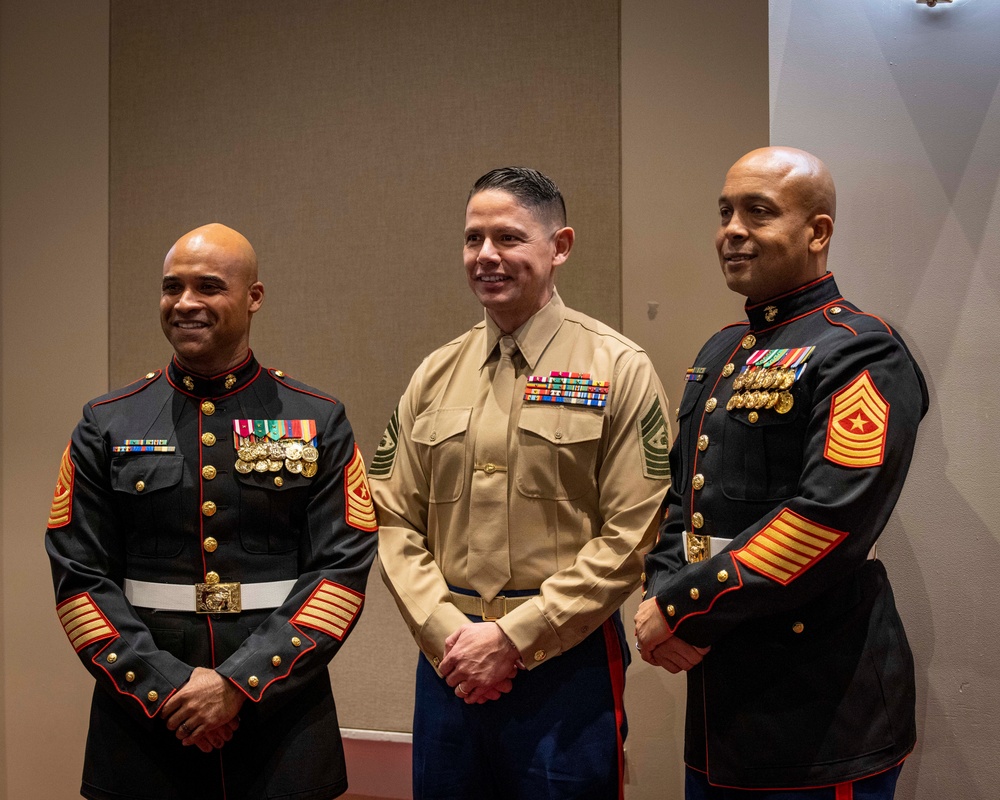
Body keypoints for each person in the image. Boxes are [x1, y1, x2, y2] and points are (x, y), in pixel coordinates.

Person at [45, 223, 378, 800]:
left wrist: (238, 686)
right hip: (145, 725)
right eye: (172, 287)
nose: (185, 303)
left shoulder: (317, 418)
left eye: (209, 286)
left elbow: (340, 572)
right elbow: (79, 578)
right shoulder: (107, 421)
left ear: (254, 297)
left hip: (281, 720)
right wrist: (166, 687)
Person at [635, 147, 928, 799]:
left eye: (758, 212)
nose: (732, 229)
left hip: (818, 709)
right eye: (725, 211)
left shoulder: (860, 348)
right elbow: (686, 501)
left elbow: (826, 519)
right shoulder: (723, 349)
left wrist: (685, 609)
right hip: (721, 702)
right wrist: (658, 586)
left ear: (817, 232)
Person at [371, 167, 672, 798]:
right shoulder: (434, 373)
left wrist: (514, 637)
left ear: (559, 246)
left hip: (568, 666)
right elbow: (393, 516)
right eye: (472, 239)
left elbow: (635, 531)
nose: (486, 256)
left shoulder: (619, 366)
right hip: (449, 661)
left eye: (507, 238)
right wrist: (445, 633)